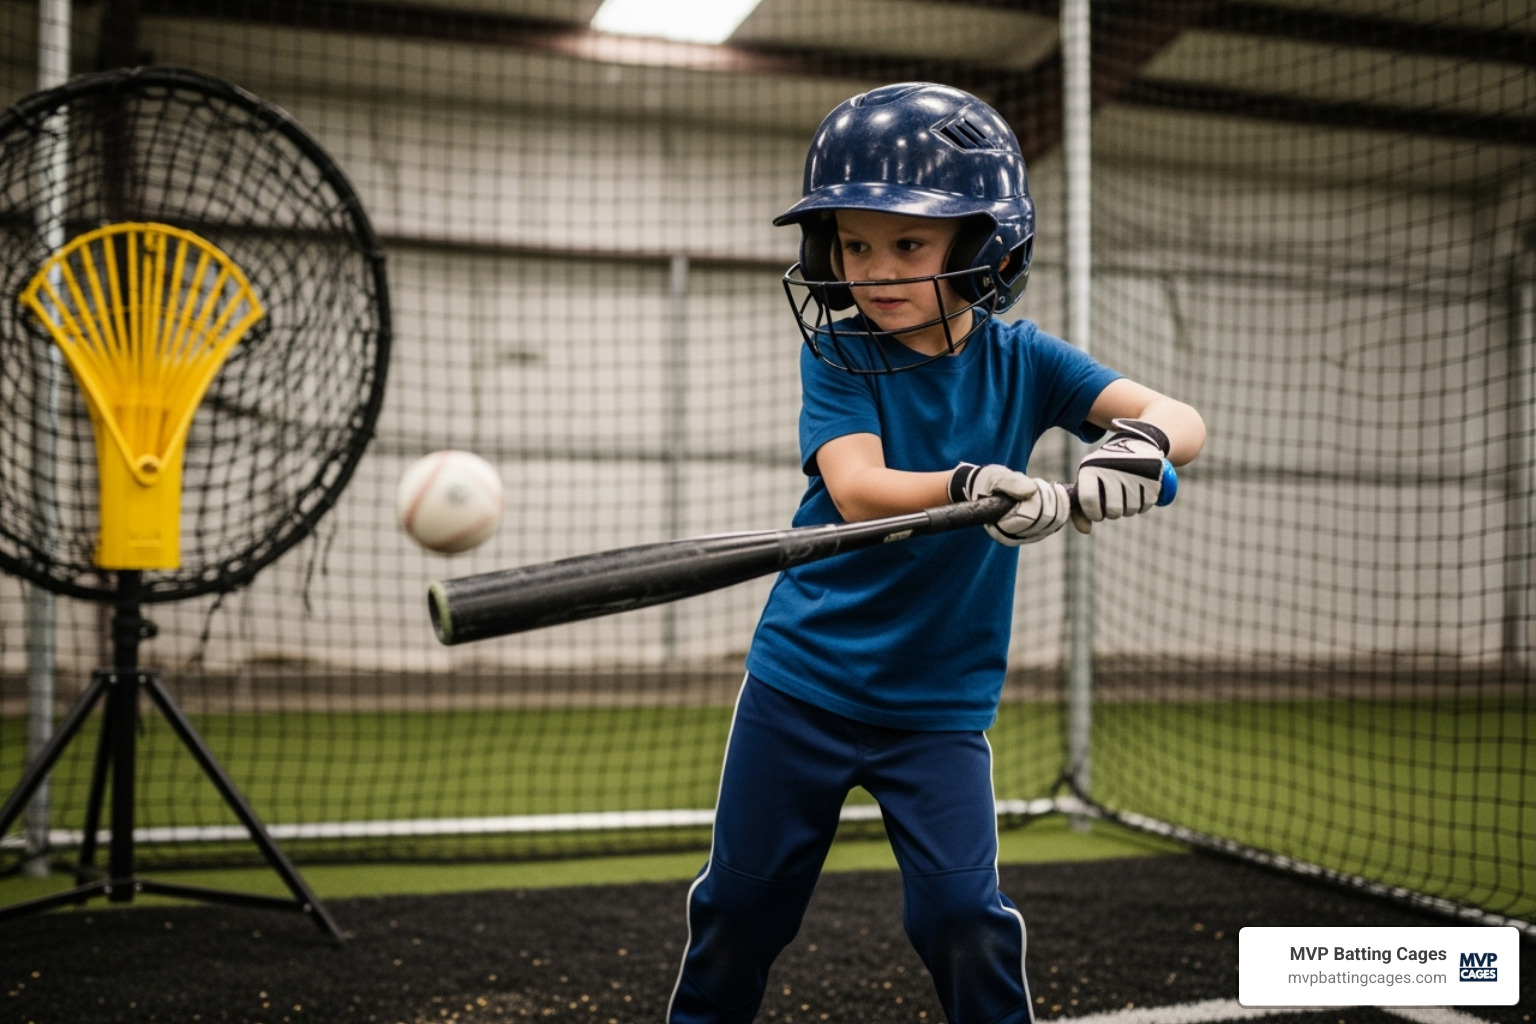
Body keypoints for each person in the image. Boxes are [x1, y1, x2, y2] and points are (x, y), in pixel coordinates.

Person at [667, 82, 1205, 1024]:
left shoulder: (1026, 360)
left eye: (909, 245)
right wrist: (972, 484)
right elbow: (858, 487)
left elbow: (1179, 417)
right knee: (742, 912)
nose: (875, 271)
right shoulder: (839, 355)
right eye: (854, 245)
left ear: (988, 247)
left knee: (963, 917)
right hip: (804, 683)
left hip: (939, 706)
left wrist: (1137, 448)